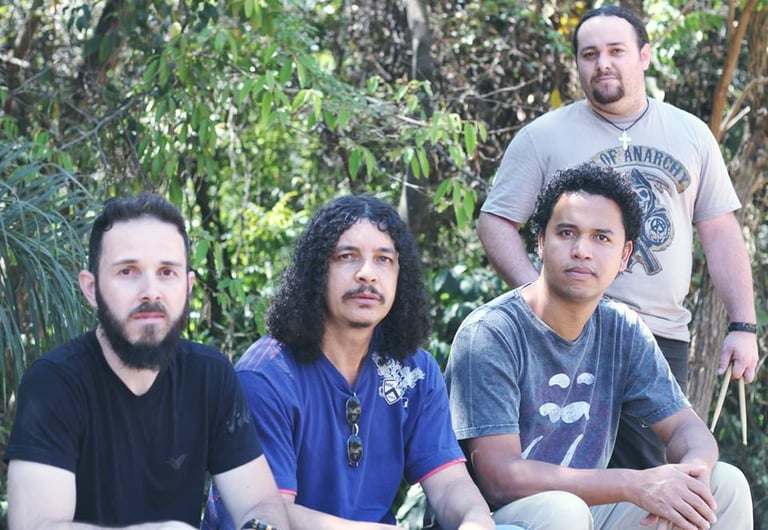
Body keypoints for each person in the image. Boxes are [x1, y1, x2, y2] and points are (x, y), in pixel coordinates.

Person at [476, 5, 759, 470]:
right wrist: (538, 297)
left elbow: (721, 232)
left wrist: (743, 325)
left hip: (661, 335)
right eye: (589, 54)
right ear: (579, 64)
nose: (602, 63)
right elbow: (496, 221)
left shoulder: (691, 134)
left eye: (615, 51)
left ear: (644, 56)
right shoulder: (543, 137)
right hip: (567, 338)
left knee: (649, 482)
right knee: (564, 471)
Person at [447, 163, 753, 529]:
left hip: (587, 513)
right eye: (566, 233)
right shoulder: (491, 333)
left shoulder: (621, 329)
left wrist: (693, 476)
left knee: (725, 485)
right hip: (495, 518)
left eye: (601, 238)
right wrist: (637, 484)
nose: (582, 251)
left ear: (624, 256)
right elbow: (500, 478)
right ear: (541, 243)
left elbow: (686, 429)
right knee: (564, 511)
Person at [203, 195, 511, 530]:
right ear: (317, 271)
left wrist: (476, 519)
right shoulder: (266, 375)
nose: (368, 274)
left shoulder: (415, 371)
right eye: (347, 257)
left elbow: (450, 483)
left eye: (384, 260)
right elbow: (269, 512)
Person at [5, 194, 289, 530]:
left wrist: (260, 525)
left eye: (167, 272)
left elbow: (260, 503)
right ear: (91, 288)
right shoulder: (54, 383)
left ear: (188, 285)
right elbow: (36, 526)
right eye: (128, 271)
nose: (150, 291)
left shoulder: (210, 376)